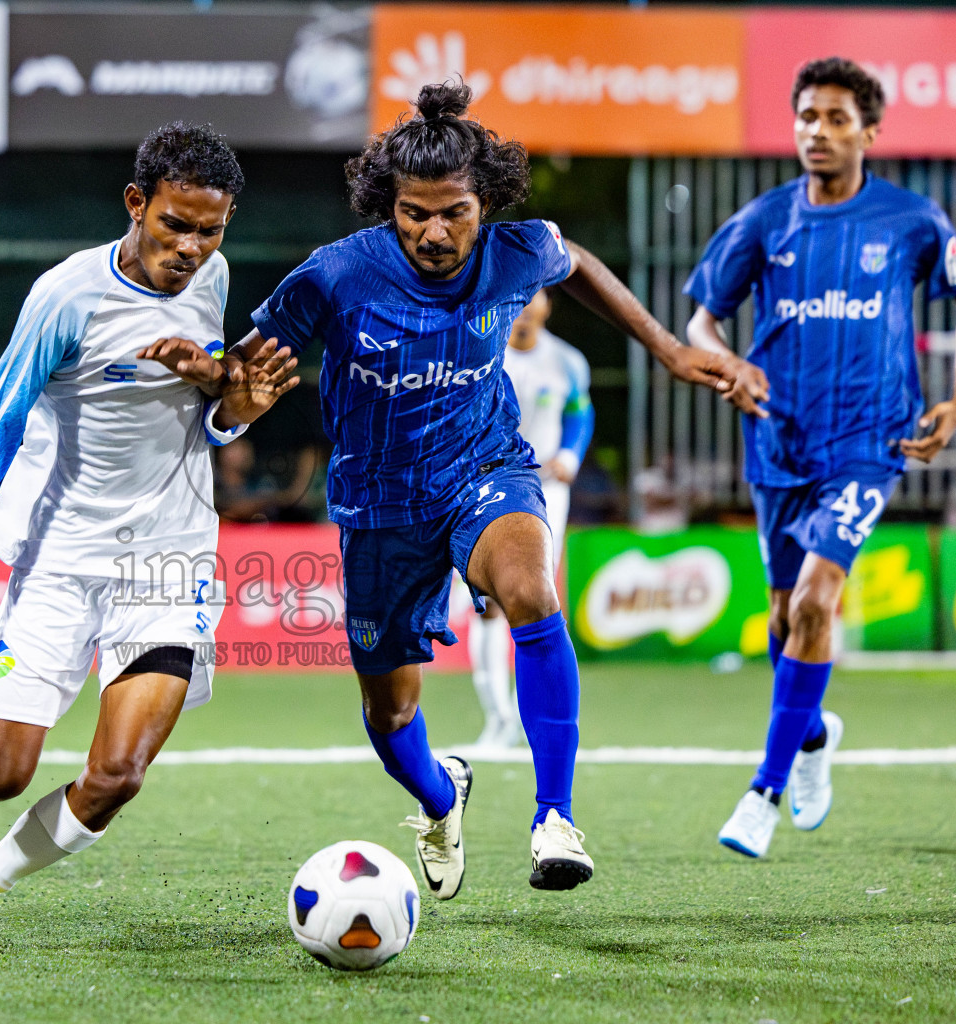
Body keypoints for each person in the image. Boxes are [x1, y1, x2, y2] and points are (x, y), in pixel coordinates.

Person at [160, 82, 762, 899]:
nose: (434, 233)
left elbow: (574, 260)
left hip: (485, 468)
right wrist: (225, 385)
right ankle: (444, 798)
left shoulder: (516, 251)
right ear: (389, 205)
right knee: (391, 715)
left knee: (530, 590)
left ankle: (556, 817)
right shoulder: (336, 275)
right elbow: (248, 367)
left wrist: (666, 350)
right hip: (378, 506)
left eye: (455, 213)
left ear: (487, 204)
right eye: (414, 213)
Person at [0, 123, 298, 956]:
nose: (191, 247)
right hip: (61, 554)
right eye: (175, 224)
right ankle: (6, 702)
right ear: (136, 204)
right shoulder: (66, 296)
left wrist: (233, 407)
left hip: (169, 558)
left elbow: (207, 422)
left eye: (210, 229)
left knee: (117, 776)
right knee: (2, 776)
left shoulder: (211, 278)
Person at [684, 58, 956, 859]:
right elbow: (699, 327)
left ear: (869, 132)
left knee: (818, 601)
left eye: (835, 119)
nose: (816, 132)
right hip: (779, 444)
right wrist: (731, 363)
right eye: (807, 117)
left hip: (869, 442)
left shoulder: (911, 220)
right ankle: (814, 738)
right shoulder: (763, 221)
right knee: (788, 621)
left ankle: (766, 789)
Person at [468, 287, 593, 748]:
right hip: (487, 484)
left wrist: (570, 456)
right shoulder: (484, 354)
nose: (523, 313)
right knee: (488, 604)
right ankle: (496, 715)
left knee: (534, 598)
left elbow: (581, 413)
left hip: (546, 491)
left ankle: (528, 713)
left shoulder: (566, 361)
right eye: (515, 304)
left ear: (546, 308)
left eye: (532, 304)